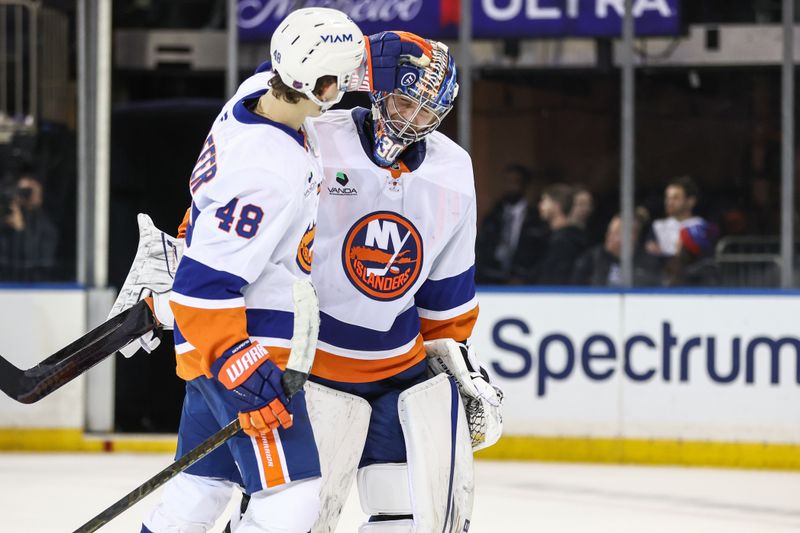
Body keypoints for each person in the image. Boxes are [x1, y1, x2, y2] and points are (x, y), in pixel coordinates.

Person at [131, 8, 433, 533]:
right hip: (246, 350)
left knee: (200, 491)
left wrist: (189, 238)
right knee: (292, 500)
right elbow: (205, 285)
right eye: (346, 77)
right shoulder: (270, 170)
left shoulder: (252, 96)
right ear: (319, 85)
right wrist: (239, 366)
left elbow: (205, 212)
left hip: (209, 348)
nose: (358, 85)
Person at [475, 164, 538, 284]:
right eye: (507, 181)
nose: (510, 186)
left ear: (525, 184)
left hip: (524, 281)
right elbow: (482, 246)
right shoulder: (493, 216)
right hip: (491, 278)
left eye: (515, 181)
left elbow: (537, 252)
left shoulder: (535, 218)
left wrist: (523, 275)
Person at [515, 183, 587, 285]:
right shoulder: (553, 237)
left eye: (544, 201)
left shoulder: (564, 241)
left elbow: (553, 279)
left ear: (556, 205)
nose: (540, 206)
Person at [572, 208, 656, 286]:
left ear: (632, 236)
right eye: (609, 231)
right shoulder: (591, 259)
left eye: (616, 233)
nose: (609, 236)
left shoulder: (647, 264)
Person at [0, 172, 59, 281]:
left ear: (40, 196)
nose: (24, 196)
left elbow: (34, 262)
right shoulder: (5, 221)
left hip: (31, 286)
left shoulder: (45, 227)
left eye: (28, 192)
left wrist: (20, 229)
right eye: (21, 191)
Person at [645, 176, 705, 258]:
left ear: (690, 201)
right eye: (667, 198)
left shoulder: (700, 227)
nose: (669, 202)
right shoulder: (657, 226)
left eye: (675, 198)